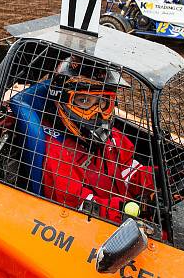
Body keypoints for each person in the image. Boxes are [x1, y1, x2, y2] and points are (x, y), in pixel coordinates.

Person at [40, 69, 156, 224]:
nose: (97, 113)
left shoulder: (109, 136)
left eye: (102, 102)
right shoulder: (57, 152)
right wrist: (130, 209)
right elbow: (78, 205)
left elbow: (128, 170)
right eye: (84, 101)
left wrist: (159, 180)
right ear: (63, 101)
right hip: (96, 228)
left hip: (126, 214)